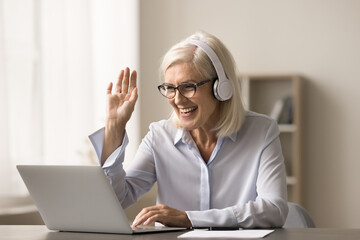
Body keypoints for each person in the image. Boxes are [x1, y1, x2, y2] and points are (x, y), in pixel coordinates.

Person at [89, 31, 288, 228]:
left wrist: (189, 219)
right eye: (170, 88)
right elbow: (117, 200)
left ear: (221, 87)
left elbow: (274, 210)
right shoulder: (159, 136)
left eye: (188, 86)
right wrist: (114, 127)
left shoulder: (261, 131)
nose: (177, 99)